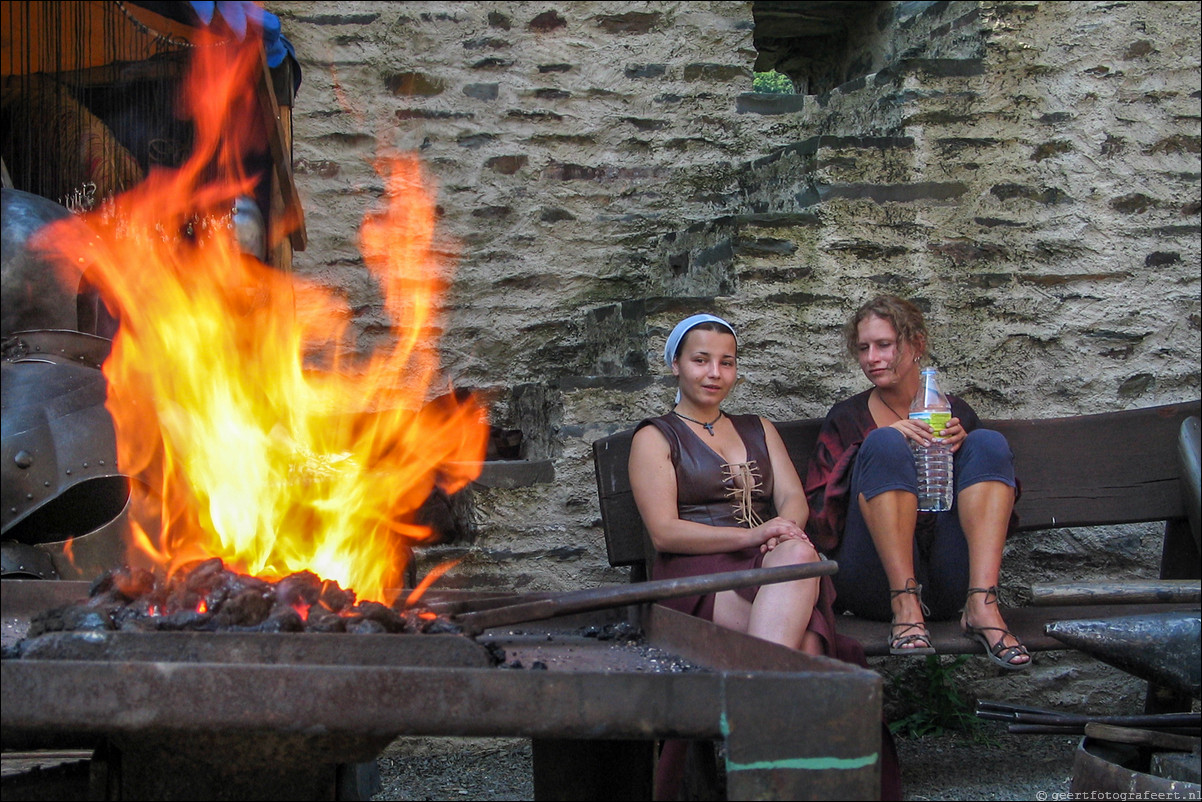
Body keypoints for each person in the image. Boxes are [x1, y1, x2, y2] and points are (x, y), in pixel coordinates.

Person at [803, 295, 1030, 669]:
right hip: (873, 584)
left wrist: (960, 451)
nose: (872, 358)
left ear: (917, 345)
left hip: (949, 582)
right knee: (884, 442)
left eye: (884, 345)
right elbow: (820, 522)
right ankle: (905, 603)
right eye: (863, 348)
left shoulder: (956, 413)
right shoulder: (846, 418)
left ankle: (983, 605)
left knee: (988, 443)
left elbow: (999, 508)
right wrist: (877, 449)